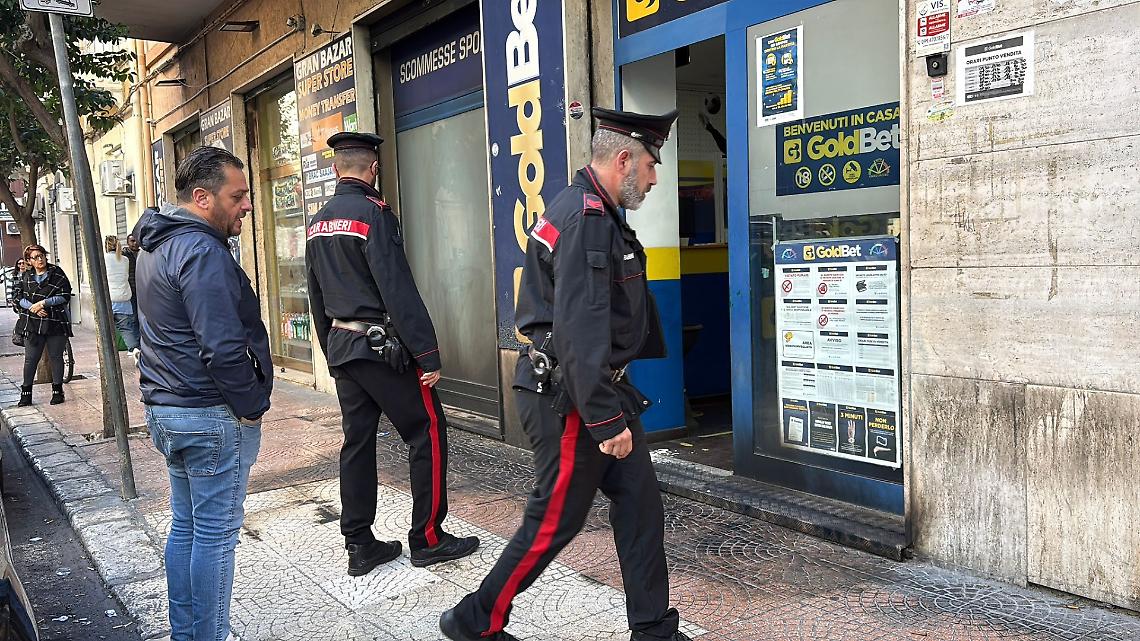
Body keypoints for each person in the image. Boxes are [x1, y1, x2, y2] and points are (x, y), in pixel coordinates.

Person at [441, 108, 690, 641]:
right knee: (554, 520)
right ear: (623, 160)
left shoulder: (586, 209)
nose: (654, 177)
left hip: (597, 388)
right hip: (573, 398)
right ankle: (474, 621)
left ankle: (653, 629)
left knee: (641, 507)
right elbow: (579, 330)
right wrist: (604, 420)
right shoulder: (587, 221)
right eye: (650, 164)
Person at [305, 131, 479, 577]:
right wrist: (428, 354)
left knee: (357, 443)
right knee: (427, 429)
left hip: (343, 347)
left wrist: (330, 349)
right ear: (374, 168)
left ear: (335, 169)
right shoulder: (374, 214)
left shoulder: (318, 221)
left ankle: (360, 544)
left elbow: (315, 293)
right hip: (380, 348)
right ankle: (428, 539)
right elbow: (397, 288)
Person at [134, 146, 272, 641]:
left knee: (187, 527)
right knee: (213, 535)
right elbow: (222, 346)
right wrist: (252, 407)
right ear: (202, 197)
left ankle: (187, 634)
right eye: (238, 196)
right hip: (207, 412)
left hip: (170, 408)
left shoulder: (156, 244)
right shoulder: (202, 250)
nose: (247, 205)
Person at [15, 245, 73, 407]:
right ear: (29, 261)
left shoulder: (56, 273)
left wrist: (43, 303)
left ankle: (57, 391)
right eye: (35, 257)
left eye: (41, 255)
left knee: (56, 357)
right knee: (31, 359)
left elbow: (65, 295)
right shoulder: (25, 276)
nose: (40, 259)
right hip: (32, 322)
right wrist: (33, 308)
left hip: (56, 321)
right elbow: (18, 297)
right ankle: (26, 393)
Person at [104, 235, 140, 361]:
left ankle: (108, 359)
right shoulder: (125, 260)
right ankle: (134, 350)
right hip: (124, 299)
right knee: (127, 329)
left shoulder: (103, 259)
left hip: (108, 300)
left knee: (106, 332)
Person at [124, 231, 142, 316]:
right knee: (134, 314)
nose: (135, 243)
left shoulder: (143, 254)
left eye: (136, 241)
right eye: (132, 241)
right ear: (127, 242)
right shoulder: (124, 255)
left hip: (142, 289)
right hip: (131, 289)